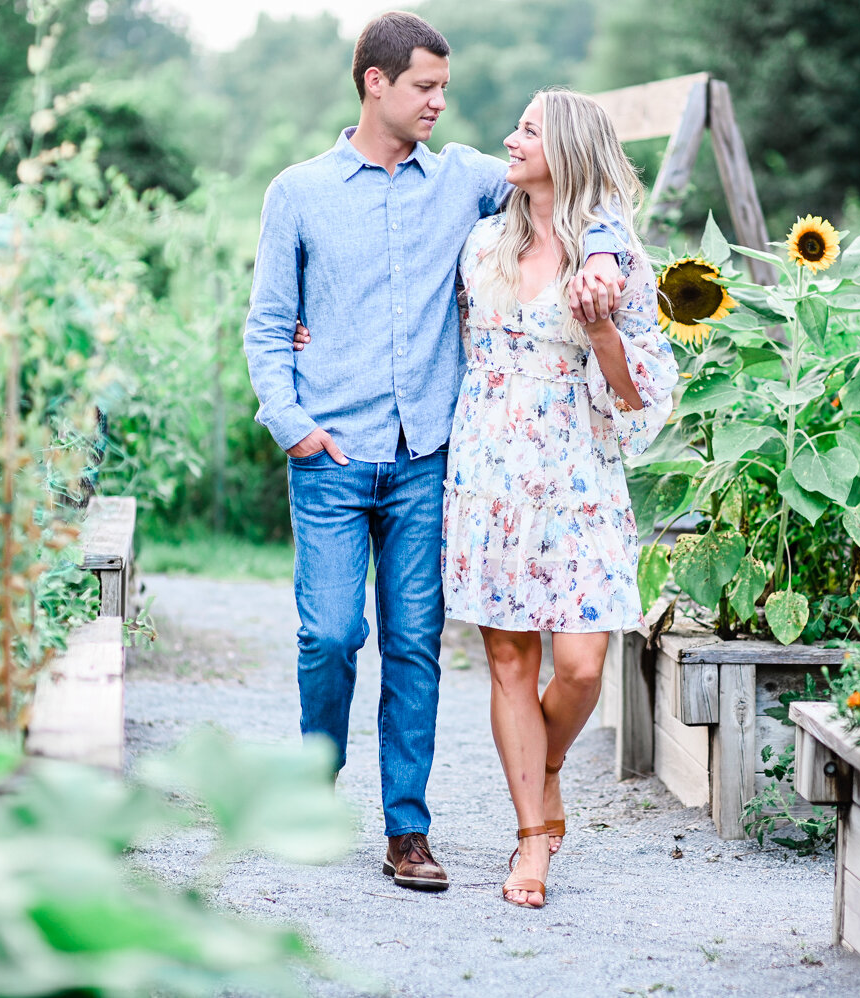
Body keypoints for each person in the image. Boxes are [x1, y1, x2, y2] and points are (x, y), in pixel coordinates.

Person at [241, 11, 626, 894]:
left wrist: (601, 250)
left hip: (429, 458)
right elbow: (268, 324)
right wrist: (290, 420)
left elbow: (569, 184)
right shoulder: (298, 192)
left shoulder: (463, 180)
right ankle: (310, 786)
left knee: (413, 645)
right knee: (331, 636)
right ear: (374, 83)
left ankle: (407, 832)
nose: (439, 104)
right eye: (424, 87)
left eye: (443, 88)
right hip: (332, 454)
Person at [445, 89, 677, 908]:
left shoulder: (615, 264)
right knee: (510, 659)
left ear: (568, 150)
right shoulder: (480, 246)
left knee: (580, 665)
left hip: (576, 475)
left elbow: (640, 394)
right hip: (491, 471)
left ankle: (542, 771)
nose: (510, 139)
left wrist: (606, 330)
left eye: (530, 130)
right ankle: (533, 839)